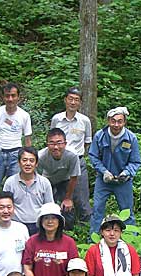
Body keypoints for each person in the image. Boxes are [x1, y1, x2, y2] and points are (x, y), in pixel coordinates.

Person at [88, 107, 141, 236]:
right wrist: (103, 171)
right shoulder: (100, 136)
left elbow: (135, 161)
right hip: (103, 181)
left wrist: (126, 173)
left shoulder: (131, 138)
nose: (116, 125)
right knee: (97, 210)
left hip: (123, 182)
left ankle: (130, 240)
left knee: (127, 211)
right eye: (113, 121)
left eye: (120, 121)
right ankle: (94, 239)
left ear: (124, 122)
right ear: (108, 121)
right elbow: (93, 156)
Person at [50, 86, 93, 223]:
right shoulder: (57, 119)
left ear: (80, 103)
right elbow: (52, 139)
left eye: (76, 100)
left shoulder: (85, 121)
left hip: (78, 162)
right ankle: (67, 228)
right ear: (65, 100)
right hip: (59, 163)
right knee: (64, 197)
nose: (73, 103)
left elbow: (87, 142)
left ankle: (86, 229)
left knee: (82, 199)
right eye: (70, 99)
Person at [2, 147, 53, 235]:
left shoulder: (44, 182)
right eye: (24, 160)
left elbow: (49, 207)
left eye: (31, 160)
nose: (28, 164)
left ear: (36, 164)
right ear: (19, 162)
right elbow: (5, 205)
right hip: (16, 225)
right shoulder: (10, 182)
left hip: (38, 226)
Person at [37, 128, 81, 230]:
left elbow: (74, 177)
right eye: (52, 143)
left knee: (67, 206)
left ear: (65, 143)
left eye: (59, 143)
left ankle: (67, 232)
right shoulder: (41, 156)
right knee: (46, 205)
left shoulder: (72, 155)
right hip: (47, 180)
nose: (56, 147)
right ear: (47, 144)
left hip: (65, 180)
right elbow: (37, 177)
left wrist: (68, 198)